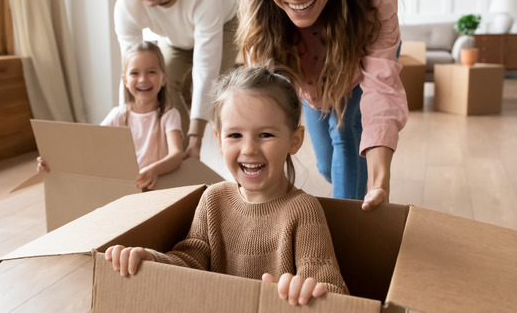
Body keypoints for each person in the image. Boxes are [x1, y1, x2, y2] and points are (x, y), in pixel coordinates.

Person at [105, 65, 349, 306]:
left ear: (294, 141)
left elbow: (334, 289)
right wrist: (152, 260)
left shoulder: (304, 211)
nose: (249, 149)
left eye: (265, 135)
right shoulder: (213, 199)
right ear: (219, 140)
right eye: (235, 135)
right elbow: (191, 261)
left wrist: (307, 291)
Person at [238, 0, 408, 210]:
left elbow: (381, 91)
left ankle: (349, 229)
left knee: (345, 136)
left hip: (359, 66)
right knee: (328, 166)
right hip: (309, 78)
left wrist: (379, 182)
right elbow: (260, 91)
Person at [114, 0, 239, 160]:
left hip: (224, 23)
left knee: (213, 92)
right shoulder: (126, 7)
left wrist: (196, 137)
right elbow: (130, 72)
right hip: (175, 38)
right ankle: (178, 155)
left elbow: (205, 67)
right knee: (161, 82)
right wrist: (125, 130)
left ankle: (214, 149)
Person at [38, 41, 183, 190]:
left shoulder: (169, 115)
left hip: (157, 189)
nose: (143, 79)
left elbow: (177, 154)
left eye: (151, 72)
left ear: (164, 78)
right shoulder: (118, 115)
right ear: (125, 80)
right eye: (135, 73)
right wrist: (54, 160)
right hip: (124, 188)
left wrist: (154, 170)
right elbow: (90, 144)